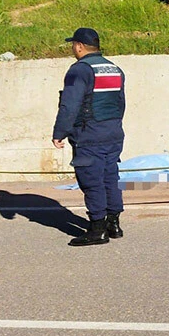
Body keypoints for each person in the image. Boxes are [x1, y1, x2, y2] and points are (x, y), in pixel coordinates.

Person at [52, 27, 126, 247]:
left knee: (92, 181)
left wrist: (60, 132)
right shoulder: (114, 68)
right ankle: (114, 224)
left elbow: (70, 105)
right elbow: (120, 103)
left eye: (73, 45)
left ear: (79, 46)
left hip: (89, 135)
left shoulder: (79, 70)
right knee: (110, 178)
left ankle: (97, 229)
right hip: (113, 133)